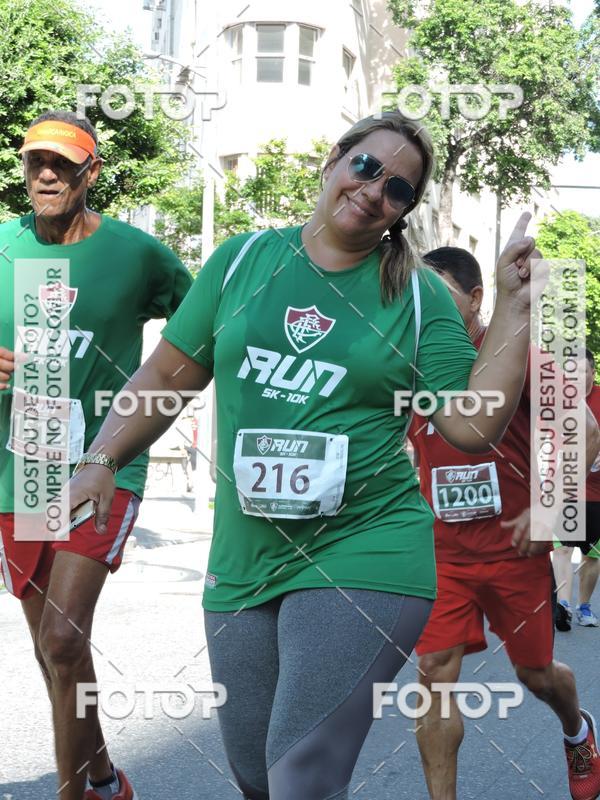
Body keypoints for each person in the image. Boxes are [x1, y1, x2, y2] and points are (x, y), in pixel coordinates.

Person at [67, 112, 542, 800]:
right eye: (367, 167)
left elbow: (472, 426)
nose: (375, 190)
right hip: (242, 563)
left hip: (366, 551)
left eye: (399, 188)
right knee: (257, 776)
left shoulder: (416, 299)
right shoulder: (241, 263)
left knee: (301, 779)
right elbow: (169, 376)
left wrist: (514, 307)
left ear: (404, 212)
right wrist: (101, 457)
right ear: (334, 161)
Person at [0, 111, 192, 800]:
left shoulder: (139, 255)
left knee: (59, 638)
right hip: (21, 468)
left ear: (92, 172)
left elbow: (204, 330)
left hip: (105, 460)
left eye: (61, 164)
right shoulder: (1, 245)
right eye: (34, 164)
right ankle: (105, 778)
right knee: (58, 652)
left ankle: (72, 793)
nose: (45, 175)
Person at [408, 247, 600, 800]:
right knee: (433, 678)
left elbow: (584, 430)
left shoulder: (524, 358)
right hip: (442, 554)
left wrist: (551, 509)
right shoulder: (413, 360)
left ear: (474, 299)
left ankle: (578, 730)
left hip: (515, 551)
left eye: (439, 296)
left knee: (537, 675)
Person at [553, 349, 600, 630]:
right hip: (567, 488)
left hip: (596, 492)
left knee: (591, 556)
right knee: (562, 548)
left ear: (592, 372)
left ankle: (584, 605)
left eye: (581, 372)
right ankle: (564, 605)